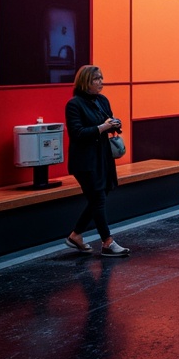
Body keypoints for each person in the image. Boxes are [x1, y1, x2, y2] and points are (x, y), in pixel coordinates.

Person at [64, 65, 130, 257]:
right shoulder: (74, 104)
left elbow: (108, 122)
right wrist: (102, 127)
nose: (101, 82)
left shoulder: (102, 100)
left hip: (102, 156)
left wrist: (115, 124)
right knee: (98, 198)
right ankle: (107, 242)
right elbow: (77, 134)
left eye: (101, 78)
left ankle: (76, 235)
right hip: (84, 160)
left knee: (102, 193)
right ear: (86, 82)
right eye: (96, 79)